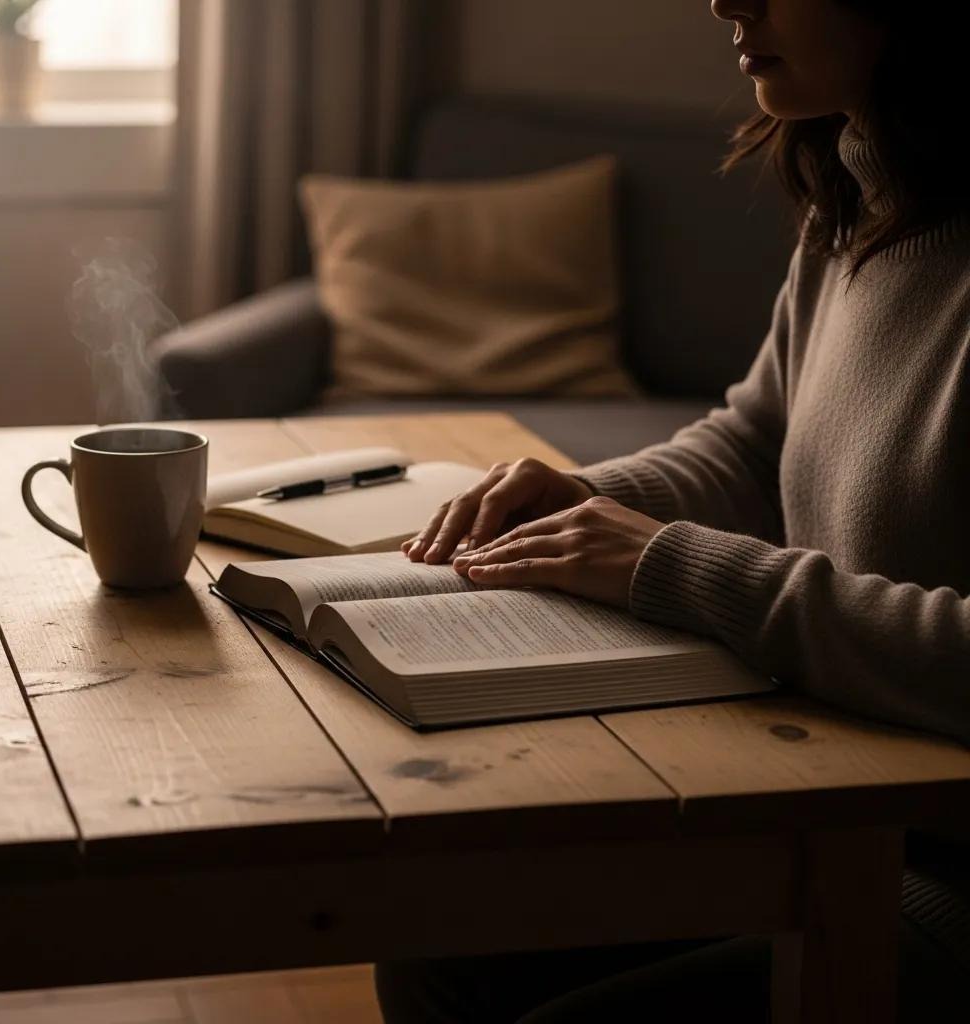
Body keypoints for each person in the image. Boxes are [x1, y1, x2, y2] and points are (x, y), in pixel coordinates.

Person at [375, 0, 970, 1020]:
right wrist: (587, 500)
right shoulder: (854, 202)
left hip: (943, 862)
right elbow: (752, 437)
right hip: (841, 797)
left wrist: (673, 564)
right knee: (434, 941)